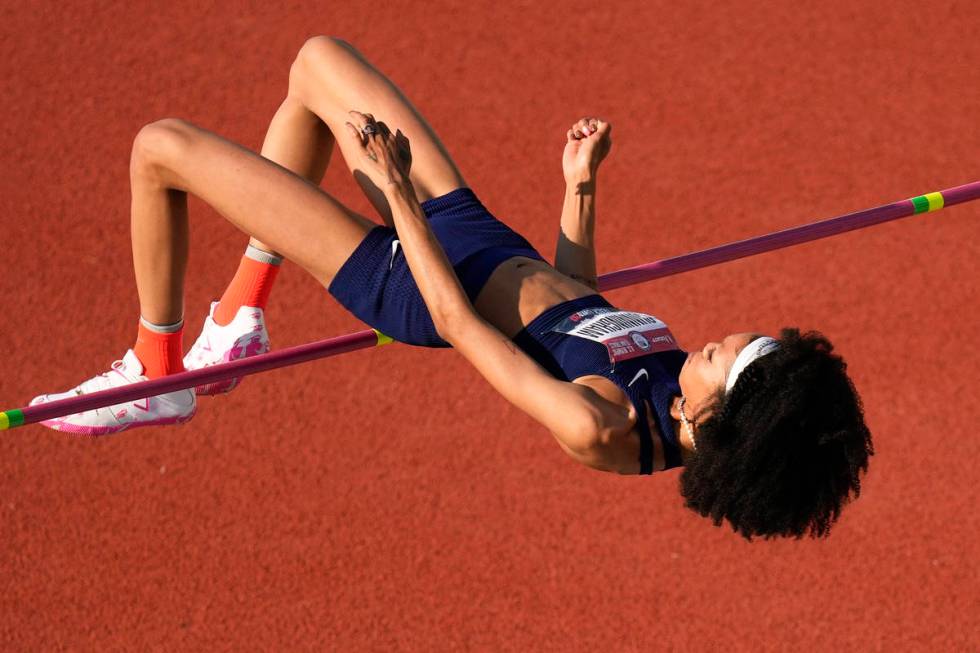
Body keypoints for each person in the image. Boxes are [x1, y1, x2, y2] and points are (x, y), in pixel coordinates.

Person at [30, 37, 873, 539]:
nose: (721, 340)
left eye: (730, 359)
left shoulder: (598, 425)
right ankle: (240, 317)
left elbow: (461, 327)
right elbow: (577, 307)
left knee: (160, 148)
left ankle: (155, 371)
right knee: (316, 65)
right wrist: (579, 188)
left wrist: (397, 198)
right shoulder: (677, 377)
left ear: (716, 419)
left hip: (412, 274)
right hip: (477, 233)